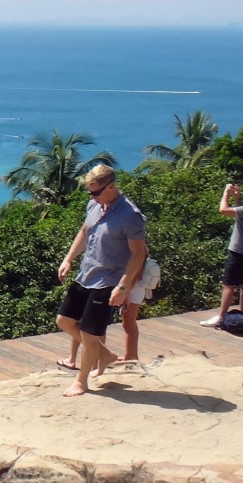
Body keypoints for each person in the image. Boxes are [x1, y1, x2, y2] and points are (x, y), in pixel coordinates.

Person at [56, 165, 148, 397]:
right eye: (89, 192)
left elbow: (138, 253)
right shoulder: (94, 205)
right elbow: (84, 232)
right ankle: (104, 354)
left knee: (89, 333)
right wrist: (68, 259)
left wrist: (124, 286)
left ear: (111, 186)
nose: (92, 197)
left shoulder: (130, 216)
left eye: (95, 192)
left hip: (109, 280)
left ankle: (82, 382)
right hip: (86, 274)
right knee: (64, 321)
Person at [201, 180, 243, 327]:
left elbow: (223, 210)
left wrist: (226, 193)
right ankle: (241, 314)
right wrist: (237, 198)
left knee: (228, 285)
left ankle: (220, 317)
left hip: (238, 250)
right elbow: (241, 213)